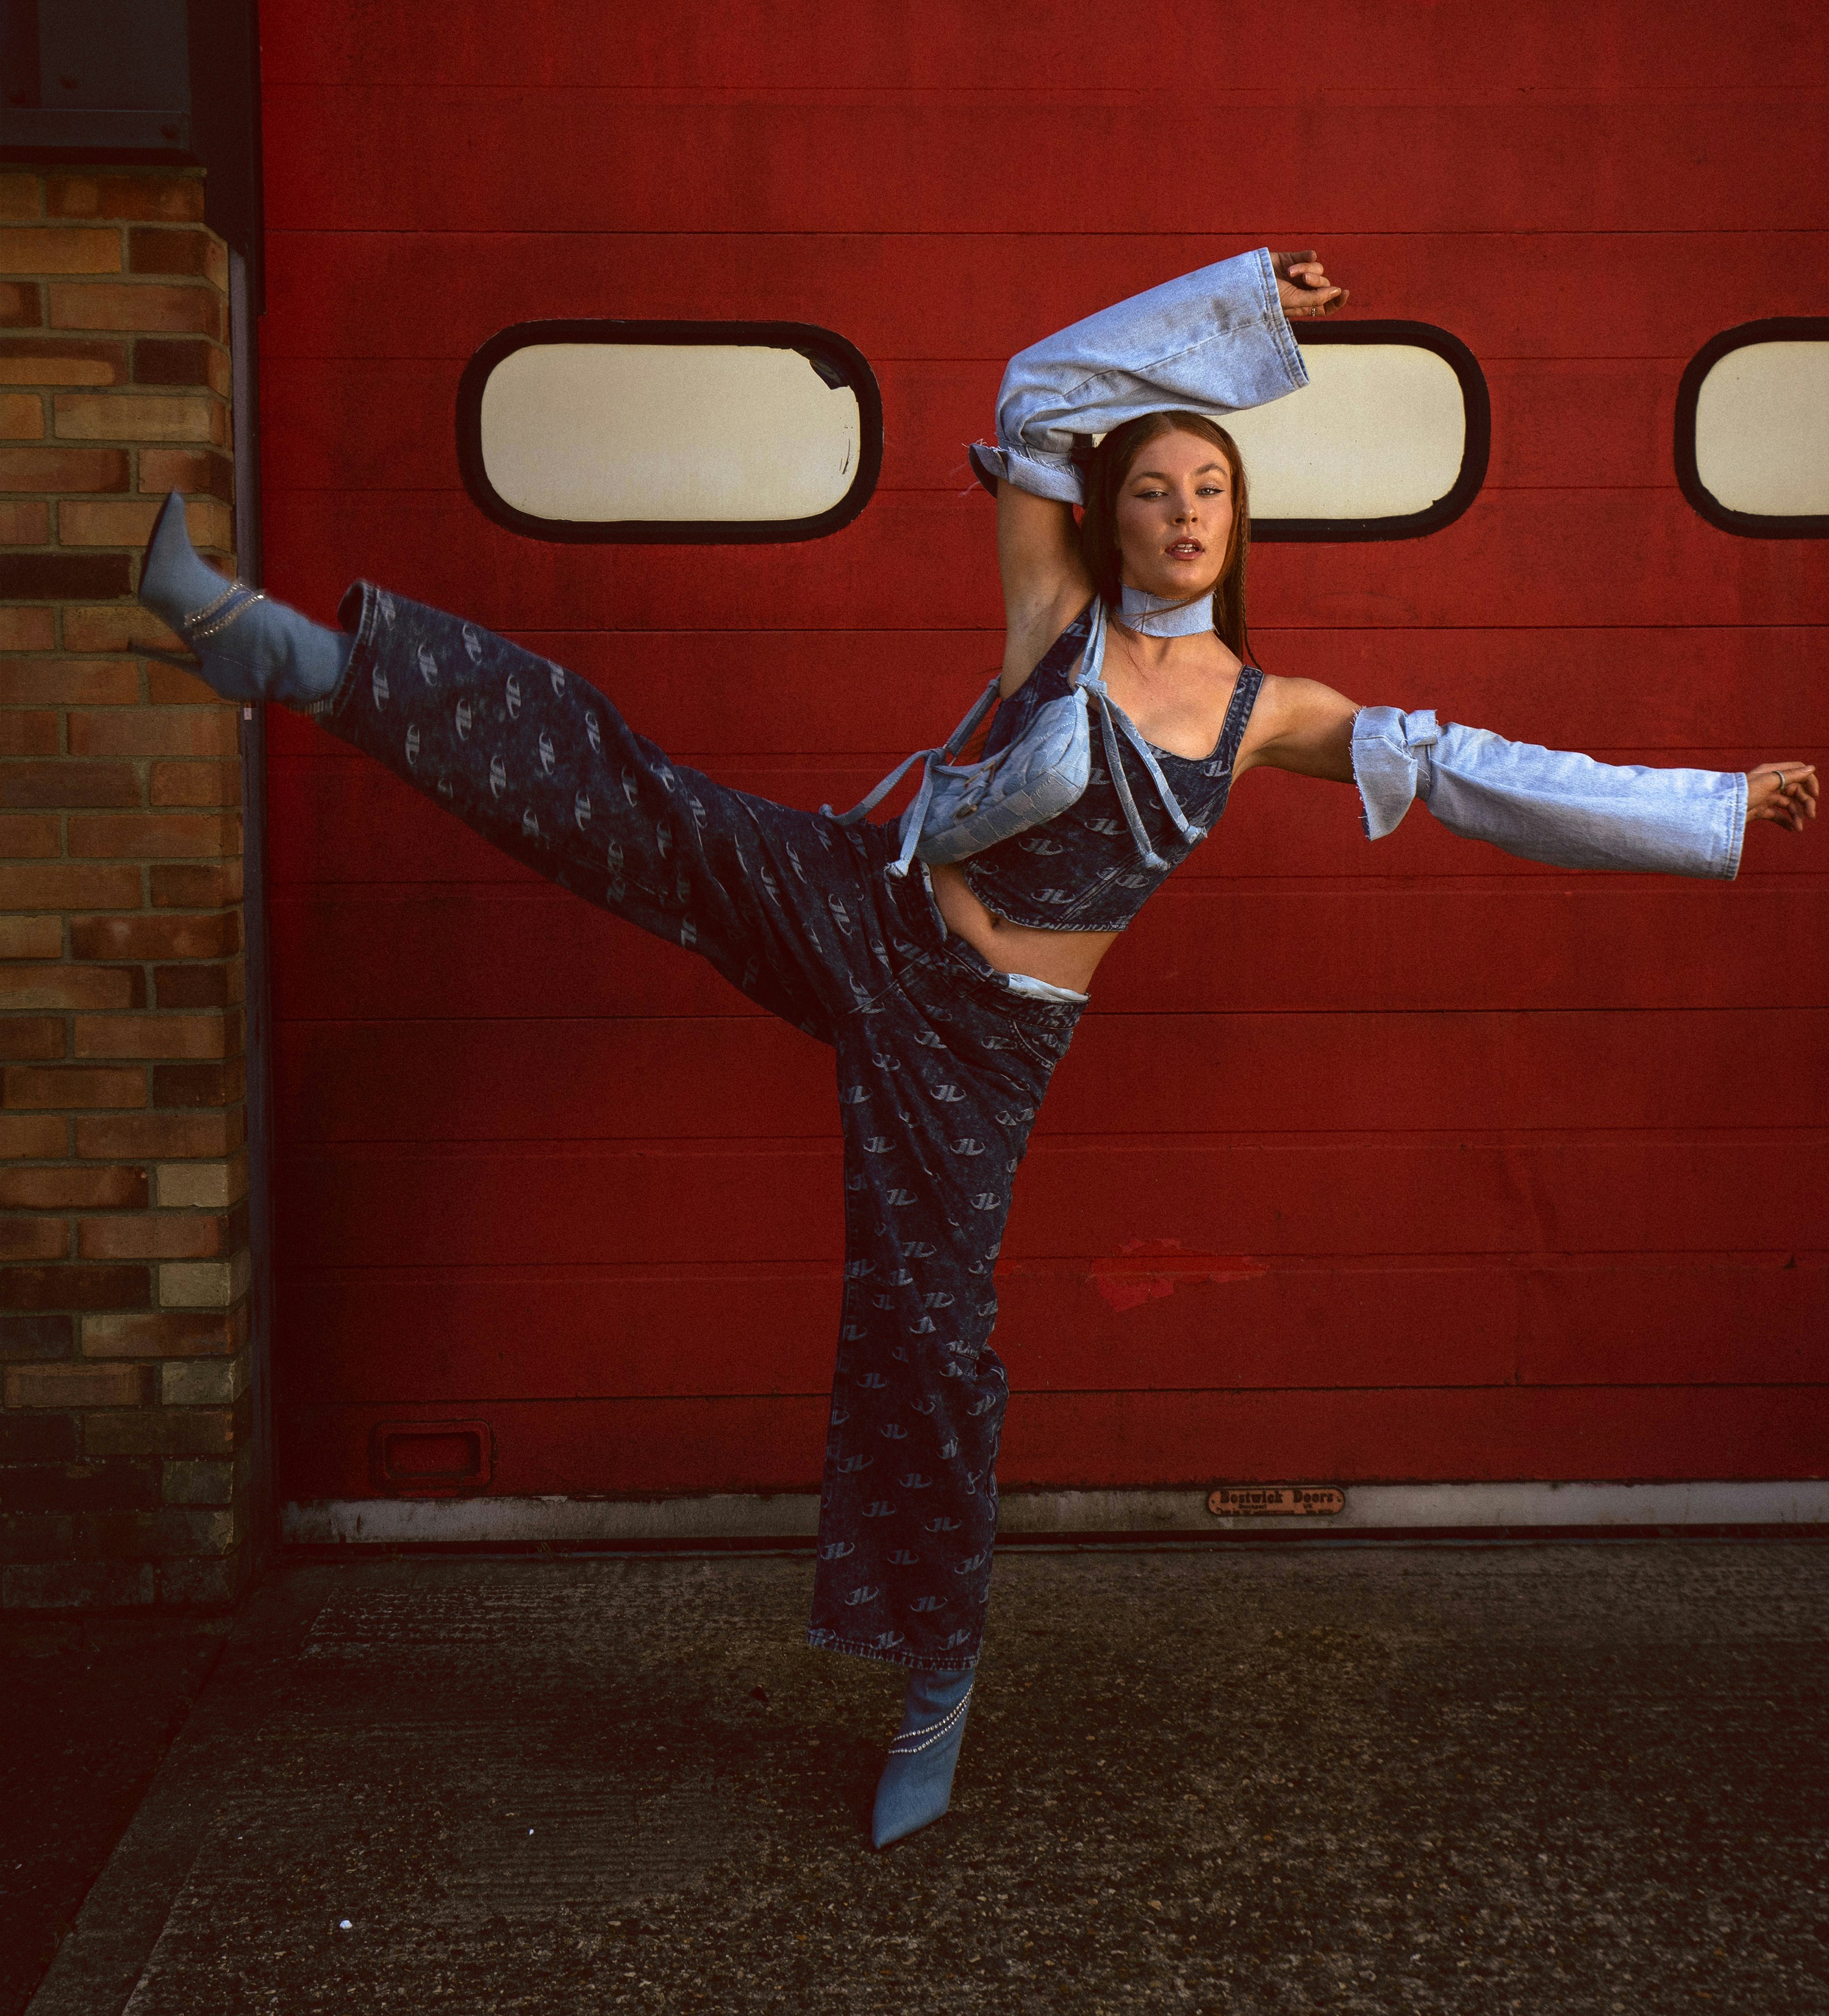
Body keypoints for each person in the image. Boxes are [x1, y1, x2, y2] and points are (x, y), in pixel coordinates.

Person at [132, 248, 1817, 1850]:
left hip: (982, 1047)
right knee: (634, 799)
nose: (1183, 513)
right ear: (1108, 511)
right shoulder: (1054, 617)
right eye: (1152, 488)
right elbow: (1041, 387)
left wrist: (1708, 808)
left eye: (1211, 490)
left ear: (1241, 523)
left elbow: (1471, 771)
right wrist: (1238, 306)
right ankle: (295, 653)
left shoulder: (1266, 716)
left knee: (930, 1336)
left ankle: (935, 1683)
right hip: (862, 907)